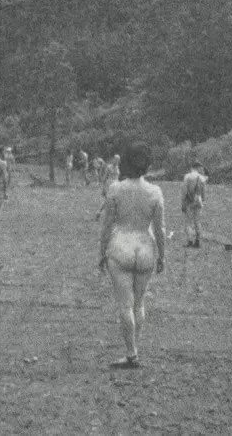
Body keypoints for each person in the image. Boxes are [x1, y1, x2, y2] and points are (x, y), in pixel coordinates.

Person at [99, 142, 166, 368]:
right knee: (139, 303)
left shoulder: (116, 189)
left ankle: (131, 353)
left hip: (121, 247)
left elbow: (107, 225)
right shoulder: (155, 192)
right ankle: (134, 350)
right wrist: (162, 256)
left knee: (125, 305)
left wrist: (101, 252)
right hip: (145, 248)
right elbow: (160, 230)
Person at [181, 161, 208, 248]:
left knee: (188, 222)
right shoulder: (201, 177)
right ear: (198, 168)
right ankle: (197, 242)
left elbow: (184, 191)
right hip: (199, 201)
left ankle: (189, 241)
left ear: (192, 167)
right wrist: (202, 201)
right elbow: (203, 192)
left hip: (189, 201)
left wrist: (183, 202)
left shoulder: (187, 176)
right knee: (197, 222)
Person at [96, 154, 121, 219]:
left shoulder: (118, 167)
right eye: (115, 159)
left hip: (117, 185)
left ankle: (115, 216)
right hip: (110, 185)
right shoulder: (109, 167)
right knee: (107, 200)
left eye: (118, 159)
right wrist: (103, 187)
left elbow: (118, 177)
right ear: (113, 159)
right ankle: (99, 212)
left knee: (116, 200)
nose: (116, 161)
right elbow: (105, 177)